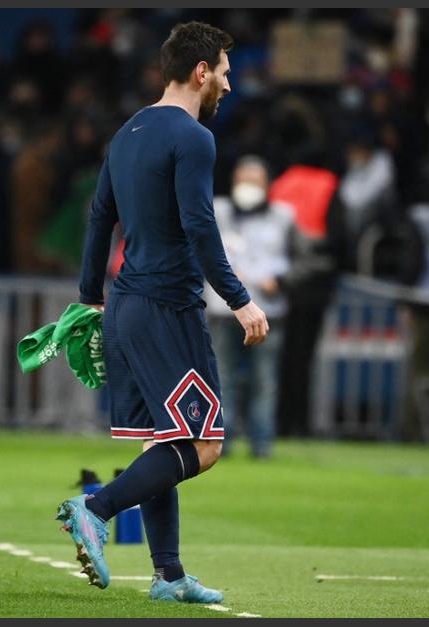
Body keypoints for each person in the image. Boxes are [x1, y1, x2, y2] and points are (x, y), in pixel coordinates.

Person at [54, 22, 268, 604]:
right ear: (202, 72)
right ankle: (94, 509)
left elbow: (100, 218)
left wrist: (89, 296)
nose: (229, 81)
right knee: (204, 444)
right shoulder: (193, 137)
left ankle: (168, 576)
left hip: (126, 301)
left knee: (162, 444)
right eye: (225, 70)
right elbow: (200, 223)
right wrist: (239, 297)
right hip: (167, 307)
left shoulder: (126, 132)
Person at [205, 155, 293, 459]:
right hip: (223, 309)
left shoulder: (284, 217)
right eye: (242, 180)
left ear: (268, 185)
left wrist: (282, 279)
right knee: (221, 378)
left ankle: (262, 445)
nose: (247, 187)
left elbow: (302, 260)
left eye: (254, 182)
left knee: (264, 382)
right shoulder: (217, 211)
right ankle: (221, 443)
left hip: (268, 311)